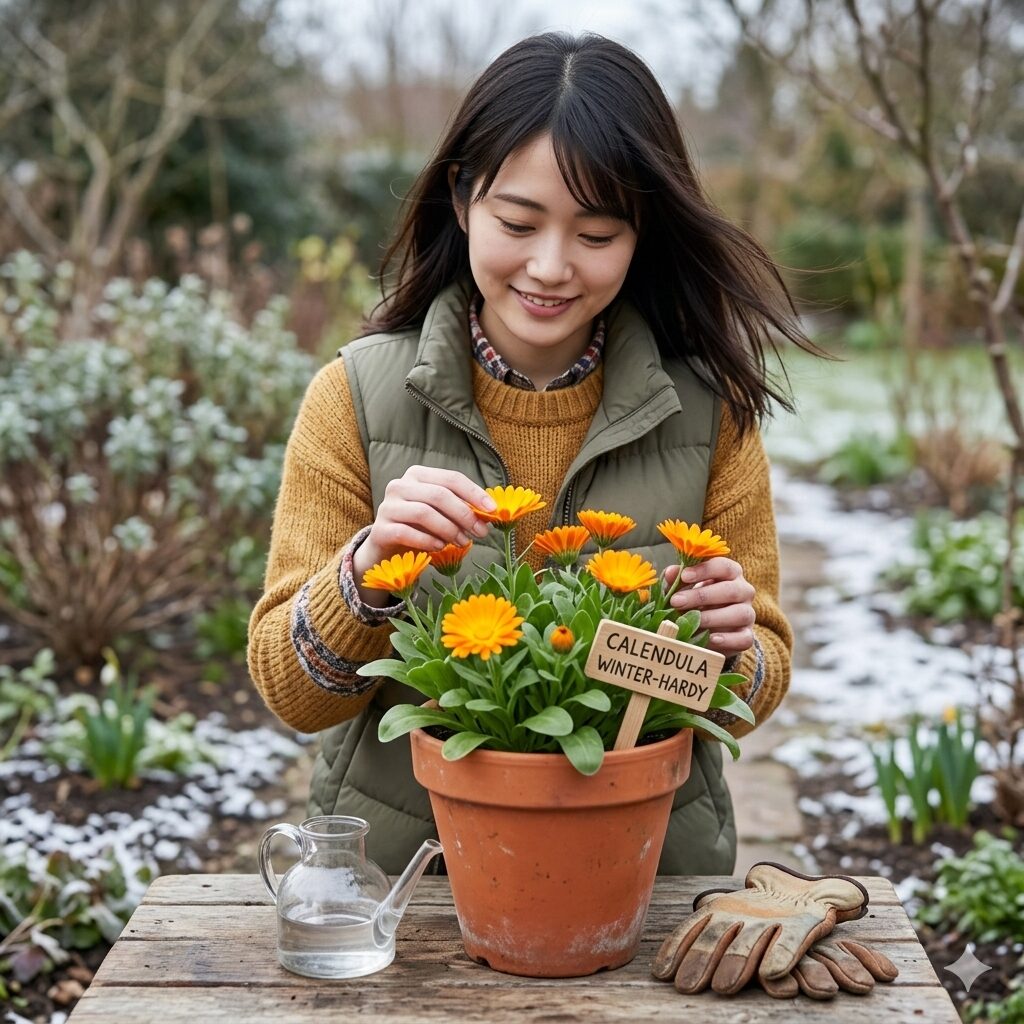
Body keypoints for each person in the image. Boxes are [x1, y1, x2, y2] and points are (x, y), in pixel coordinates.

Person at [248, 31, 808, 876]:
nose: (550, 267)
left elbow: (747, 695)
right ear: (462, 198)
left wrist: (735, 652)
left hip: (642, 879)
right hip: (410, 883)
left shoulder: (710, 412)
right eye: (518, 221)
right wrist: (361, 578)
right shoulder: (356, 397)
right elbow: (293, 696)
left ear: (642, 233)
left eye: (597, 234)